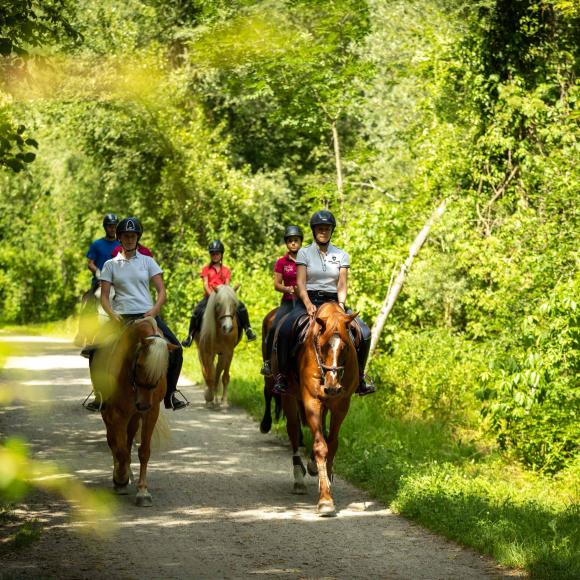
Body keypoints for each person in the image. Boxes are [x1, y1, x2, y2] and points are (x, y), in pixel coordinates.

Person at [272, 210, 376, 396]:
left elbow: (342, 283)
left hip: (334, 302)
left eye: (327, 229)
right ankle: (283, 376)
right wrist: (307, 302)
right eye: (320, 228)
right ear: (313, 230)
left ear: (331, 231)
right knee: (286, 329)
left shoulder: (341, 255)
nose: (323, 232)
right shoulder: (304, 253)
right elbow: (301, 282)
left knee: (365, 332)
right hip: (308, 300)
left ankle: (359, 379)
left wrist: (342, 305)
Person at [94, 217, 188, 411]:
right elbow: (104, 297)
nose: (130, 239)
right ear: (119, 238)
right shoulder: (110, 265)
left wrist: (153, 311)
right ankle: (100, 396)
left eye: (133, 236)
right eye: (126, 236)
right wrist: (112, 314)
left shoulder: (148, 262)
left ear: (138, 238)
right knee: (96, 350)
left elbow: (162, 292)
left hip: (147, 316)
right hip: (121, 317)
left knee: (177, 349)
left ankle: (171, 394)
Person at [181, 240, 257, 347]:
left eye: (217, 253)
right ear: (210, 255)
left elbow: (226, 285)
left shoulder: (226, 270)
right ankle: (190, 336)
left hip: (223, 298)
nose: (215, 256)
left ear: (221, 254)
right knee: (197, 311)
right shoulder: (206, 269)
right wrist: (213, 296)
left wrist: (223, 296)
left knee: (241, 307)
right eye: (213, 254)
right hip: (209, 296)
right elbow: (206, 285)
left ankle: (248, 329)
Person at [260, 225, 303, 377]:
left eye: (296, 240)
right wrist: (289, 289)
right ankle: (268, 363)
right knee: (273, 328)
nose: (293, 243)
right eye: (290, 240)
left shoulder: (307, 260)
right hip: (287, 302)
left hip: (304, 301)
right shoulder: (281, 262)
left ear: (300, 242)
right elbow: (277, 285)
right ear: (287, 243)